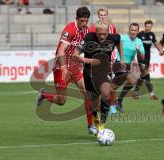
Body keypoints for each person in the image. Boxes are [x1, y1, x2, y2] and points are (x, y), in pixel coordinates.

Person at [36, 6, 97, 134]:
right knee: (61, 101)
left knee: (88, 94)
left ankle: (91, 126)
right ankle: (44, 95)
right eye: (81, 21)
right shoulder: (70, 30)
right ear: (76, 19)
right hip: (61, 65)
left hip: (75, 66)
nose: (84, 24)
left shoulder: (87, 31)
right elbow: (61, 50)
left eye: (86, 21)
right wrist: (64, 67)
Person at [72, 21, 125, 131]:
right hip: (89, 74)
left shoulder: (113, 38)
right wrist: (88, 60)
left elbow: (119, 42)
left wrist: (122, 59)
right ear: (95, 32)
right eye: (99, 34)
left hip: (103, 73)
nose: (102, 36)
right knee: (94, 104)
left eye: (104, 34)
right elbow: (75, 55)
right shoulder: (88, 38)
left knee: (106, 94)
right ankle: (96, 121)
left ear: (108, 32)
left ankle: (102, 125)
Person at [114, 23, 145, 113]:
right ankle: (118, 101)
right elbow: (113, 43)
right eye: (132, 30)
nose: (133, 32)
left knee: (113, 87)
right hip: (119, 63)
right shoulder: (122, 38)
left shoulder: (139, 42)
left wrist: (138, 50)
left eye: (135, 30)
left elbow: (142, 57)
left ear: (138, 31)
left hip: (127, 66)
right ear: (129, 30)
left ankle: (115, 100)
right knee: (133, 81)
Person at [133, 20, 160, 100]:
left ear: (151, 27)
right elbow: (135, 46)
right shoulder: (140, 35)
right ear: (144, 26)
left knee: (142, 76)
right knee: (146, 74)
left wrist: (160, 50)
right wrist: (134, 58)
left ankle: (135, 93)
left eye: (150, 26)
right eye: (147, 26)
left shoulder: (152, 35)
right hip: (140, 57)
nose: (148, 28)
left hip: (147, 58)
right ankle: (151, 94)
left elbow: (155, 43)